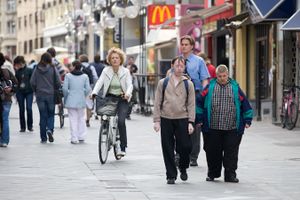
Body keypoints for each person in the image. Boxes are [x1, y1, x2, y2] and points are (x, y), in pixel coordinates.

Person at [197, 64, 253, 183]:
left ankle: (230, 175)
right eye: (220, 76)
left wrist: (247, 120)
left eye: (224, 76)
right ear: (216, 76)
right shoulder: (209, 87)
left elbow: (245, 104)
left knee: (231, 153)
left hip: (232, 127)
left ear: (228, 75)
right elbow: (199, 102)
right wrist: (199, 119)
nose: (222, 78)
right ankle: (212, 173)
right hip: (213, 127)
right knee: (213, 152)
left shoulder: (235, 88)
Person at [153, 56, 195, 184]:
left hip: (182, 118)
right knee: (167, 147)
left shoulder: (189, 84)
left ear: (185, 67)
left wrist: (191, 122)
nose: (179, 68)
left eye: (182, 66)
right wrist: (156, 120)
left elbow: (191, 104)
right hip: (166, 118)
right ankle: (171, 175)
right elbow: (157, 102)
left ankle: (183, 166)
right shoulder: (163, 83)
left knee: (185, 146)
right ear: (172, 66)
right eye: (177, 65)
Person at [91, 47, 133, 157]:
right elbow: (99, 82)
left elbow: (130, 85)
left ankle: (122, 146)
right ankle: (107, 132)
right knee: (104, 117)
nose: (114, 60)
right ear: (109, 59)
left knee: (121, 121)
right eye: (112, 58)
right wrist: (94, 92)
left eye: (117, 58)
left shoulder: (126, 71)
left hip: (122, 98)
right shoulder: (106, 70)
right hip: (109, 98)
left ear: (121, 59)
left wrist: (127, 94)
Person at [180, 35, 210, 167]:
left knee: (196, 125)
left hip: (196, 95)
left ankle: (193, 156)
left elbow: (204, 79)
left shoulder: (199, 61)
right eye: (182, 44)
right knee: (180, 123)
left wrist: (203, 94)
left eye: (186, 44)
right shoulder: (177, 61)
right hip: (180, 94)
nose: (184, 46)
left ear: (192, 46)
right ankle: (180, 153)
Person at [30, 52, 61, 143]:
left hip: (40, 95)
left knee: (43, 115)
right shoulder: (53, 68)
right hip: (51, 95)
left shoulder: (37, 68)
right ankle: (50, 130)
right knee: (51, 114)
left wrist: (36, 90)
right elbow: (58, 82)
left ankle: (43, 137)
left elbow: (32, 82)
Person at [63, 60, 91, 144]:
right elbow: (88, 89)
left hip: (71, 100)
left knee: (72, 119)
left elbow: (64, 89)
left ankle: (74, 138)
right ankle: (81, 136)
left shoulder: (68, 76)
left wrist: (66, 97)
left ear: (74, 66)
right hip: (81, 100)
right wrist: (83, 94)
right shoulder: (85, 76)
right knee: (81, 118)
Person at [0, 52, 18, 147]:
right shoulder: (6, 71)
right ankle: (5, 141)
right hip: (6, 99)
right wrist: (11, 89)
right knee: (5, 119)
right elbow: (16, 83)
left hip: (4, 99)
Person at [14, 56, 34, 132]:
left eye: (17, 64)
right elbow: (16, 82)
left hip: (29, 92)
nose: (16, 66)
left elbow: (33, 81)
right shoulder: (17, 72)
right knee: (21, 109)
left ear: (20, 63)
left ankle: (30, 126)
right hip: (20, 93)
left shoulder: (30, 70)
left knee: (29, 108)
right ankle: (22, 127)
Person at [79, 54, 98, 127]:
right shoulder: (91, 67)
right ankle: (88, 120)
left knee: (80, 104)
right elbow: (95, 77)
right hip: (89, 87)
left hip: (80, 87)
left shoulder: (79, 66)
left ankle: (81, 119)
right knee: (89, 104)